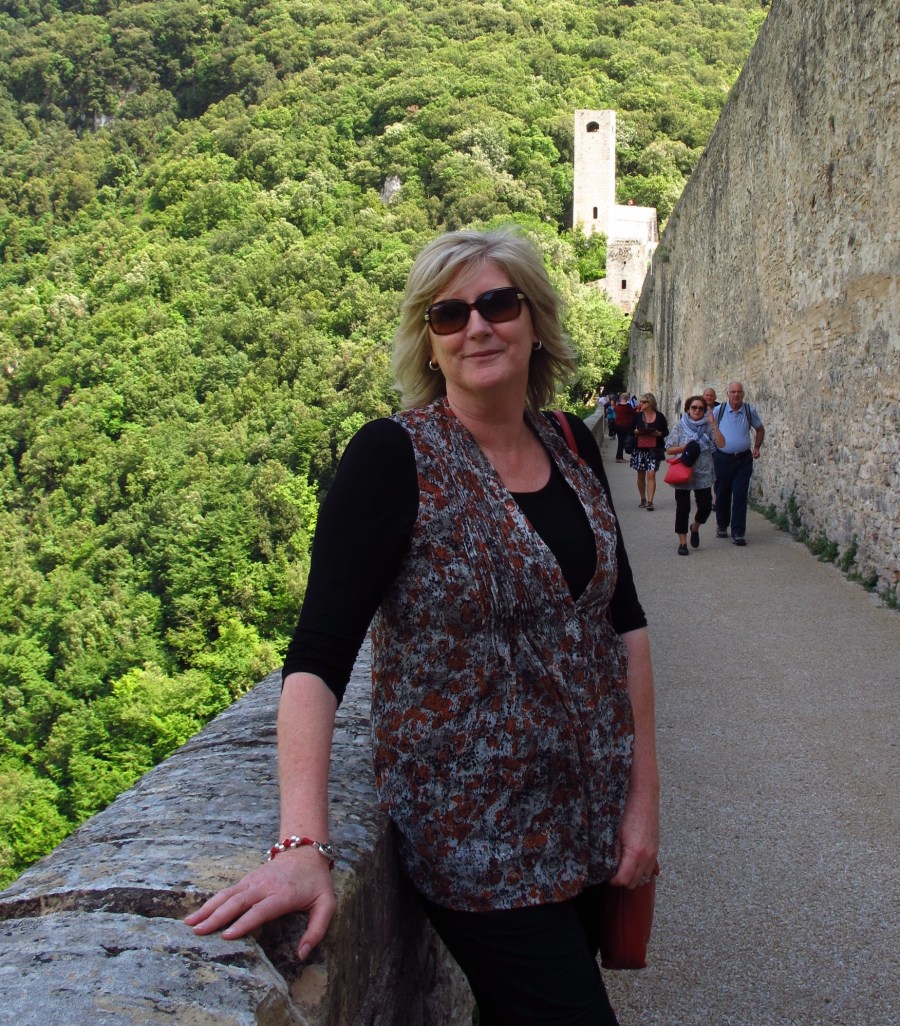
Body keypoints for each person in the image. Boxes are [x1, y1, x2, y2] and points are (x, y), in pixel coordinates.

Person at [185, 229, 660, 1026]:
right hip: (478, 839)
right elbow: (319, 656)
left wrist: (643, 801)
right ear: (429, 343)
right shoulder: (392, 458)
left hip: (588, 819)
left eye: (498, 303)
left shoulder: (573, 443)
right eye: (449, 314)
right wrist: (302, 842)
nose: (477, 326)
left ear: (534, 319)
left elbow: (626, 624)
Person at [665, 396, 725, 555]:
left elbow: (721, 444)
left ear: (705, 410)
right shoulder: (680, 425)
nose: (697, 410)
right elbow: (669, 449)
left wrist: (713, 424)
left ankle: (695, 527)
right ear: (688, 409)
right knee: (683, 508)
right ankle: (683, 543)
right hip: (683, 472)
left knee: (705, 507)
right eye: (694, 407)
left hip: (703, 472)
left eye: (700, 408)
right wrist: (685, 447)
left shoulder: (708, 426)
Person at [712, 381, 765, 546]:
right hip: (722, 459)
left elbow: (760, 429)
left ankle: (738, 532)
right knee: (722, 494)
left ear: (743, 394)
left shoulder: (749, 411)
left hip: (743, 460)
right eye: (732, 392)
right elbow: (709, 430)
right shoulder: (718, 411)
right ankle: (722, 525)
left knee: (740, 496)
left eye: (739, 392)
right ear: (727, 394)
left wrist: (756, 447)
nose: (736, 395)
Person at [629, 392, 668, 511]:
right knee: (641, 475)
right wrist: (636, 432)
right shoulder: (637, 416)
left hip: (654, 449)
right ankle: (642, 498)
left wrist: (658, 434)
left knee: (651, 474)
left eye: (643, 401)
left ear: (650, 403)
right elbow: (630, 430)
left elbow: (665, 431)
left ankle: (650, 502)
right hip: (639, 449)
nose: (640, 403)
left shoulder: (660, 416)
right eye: (640, 401)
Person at [612, 391, 636, 462]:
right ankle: (619, 457)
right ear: (628, 398)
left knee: (620, 441)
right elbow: (633, 414)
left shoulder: (617, 407)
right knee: (624, 441)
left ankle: (619, 456)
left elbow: (616, 411)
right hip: (626, 426)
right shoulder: (628, 407)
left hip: (617, 425)